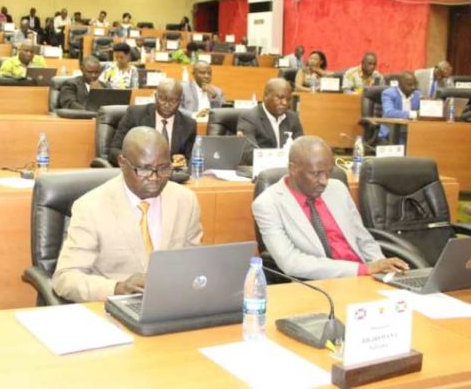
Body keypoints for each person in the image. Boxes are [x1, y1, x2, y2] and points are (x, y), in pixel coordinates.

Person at [53, 126, 202, 302]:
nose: (154, 178)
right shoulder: (90, 207)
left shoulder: (185, 200)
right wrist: (117, 288)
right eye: (144, 169)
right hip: (114, 308)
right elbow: (65, 278)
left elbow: (195, 263)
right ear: (123, 163)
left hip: (171, 303)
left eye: (163, 168)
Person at [252, 136, 409, 280]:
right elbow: (291, 262)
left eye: (328, 173)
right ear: (293, 169)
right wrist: (363, 269)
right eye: (316, 174)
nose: (324, 181)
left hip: (366, 278)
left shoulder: (338, 188)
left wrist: (381, 266)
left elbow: (363, 239)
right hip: (325, 283)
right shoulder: (267, 204)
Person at [109, 79, 196, 167]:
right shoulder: (135, 115)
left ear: (180, 101)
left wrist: (183, 162)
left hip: (171, 175)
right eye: (162, 99)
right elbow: (114, 150)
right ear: (155, 96)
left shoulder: (188, 125)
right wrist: (136, 164)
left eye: (173, 101)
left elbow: (190, 158)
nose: (167, 105)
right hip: (138, 173)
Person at [237, 78, 304, 165]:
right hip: (263, 172)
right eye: (280, 98)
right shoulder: (249, 118)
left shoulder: (293, 117)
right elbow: (249, 155)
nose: (285, 103)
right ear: (265, 96)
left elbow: (302, 150)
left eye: (288, 99)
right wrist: (281, 161)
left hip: (287, 171)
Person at [380, 71, 421, 143]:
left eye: (415, 84)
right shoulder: (388, 93)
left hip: (411, 131)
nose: (413, 87)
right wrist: (413, 114)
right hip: (392, 131)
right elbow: (388, 113)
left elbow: (423, 112)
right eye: (410, 85)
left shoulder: (417, 94)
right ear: (400, 84)